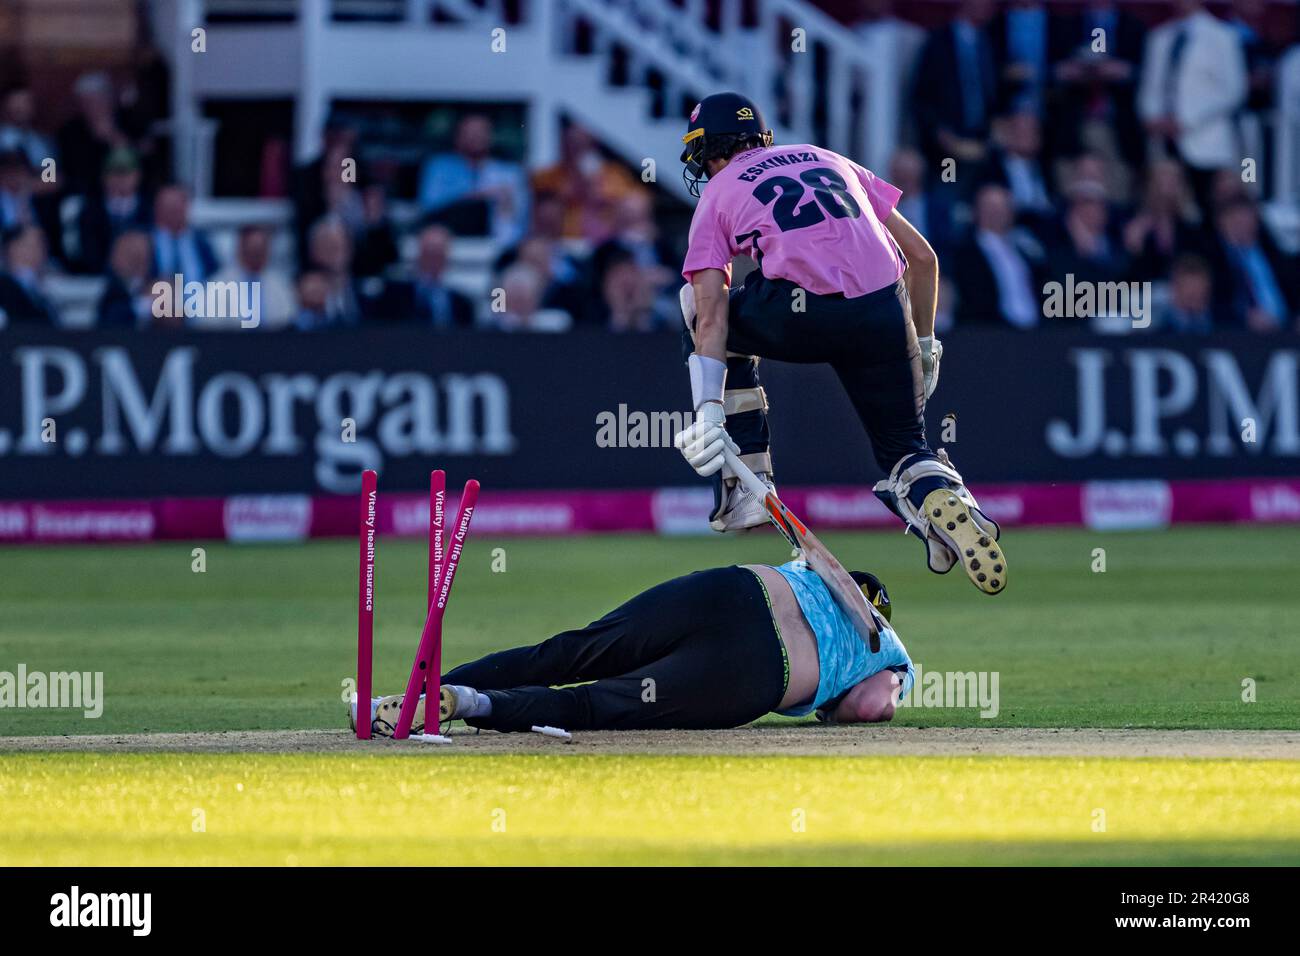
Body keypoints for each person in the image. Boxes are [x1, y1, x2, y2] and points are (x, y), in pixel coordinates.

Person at [671, 92, 1006, 595]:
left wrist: (709, 412)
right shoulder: (828, 158)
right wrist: (924, 342)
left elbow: (712, 311)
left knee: (694, 306)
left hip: (802, 309)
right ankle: (942, 497)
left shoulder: (719, 192)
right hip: (884, 310)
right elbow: (923, 258)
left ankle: (745, 483)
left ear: (708, 151)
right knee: (904, 449)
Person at [352, 560, 911, 735]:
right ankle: (469, 703)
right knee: (594, 705)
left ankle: (408, 701)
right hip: (755, 670)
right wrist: (830, 706)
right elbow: (872, 706)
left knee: (569, 651)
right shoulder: (889, 649)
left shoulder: (813, 569)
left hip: (734, 590)